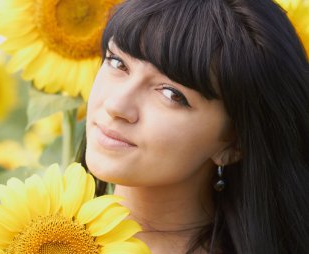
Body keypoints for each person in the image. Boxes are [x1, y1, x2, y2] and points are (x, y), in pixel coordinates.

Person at [77, 0, 309, 253]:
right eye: (117, 63)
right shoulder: (42, 227)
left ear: (234, 142)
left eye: (171, 94)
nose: (117, 106)